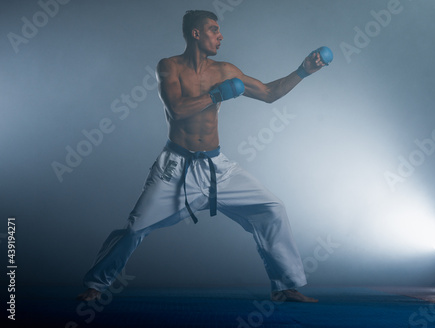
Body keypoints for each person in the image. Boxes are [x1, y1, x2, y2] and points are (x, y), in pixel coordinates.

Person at [78, 9, 330, 303]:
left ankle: (285, 286)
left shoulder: (225, 71)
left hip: (216, 167)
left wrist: (303, 71)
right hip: (175, 167)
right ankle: (96, 284)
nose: (220, 36)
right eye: (214, 30)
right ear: (195, 34)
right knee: (135, 228)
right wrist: (217, 95)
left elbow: (269, 93)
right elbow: (177, 109)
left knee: (272, 208)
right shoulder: (169, 66)